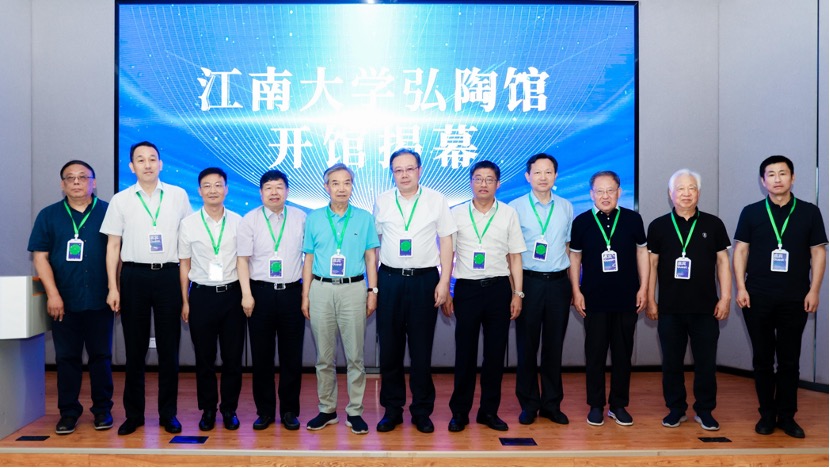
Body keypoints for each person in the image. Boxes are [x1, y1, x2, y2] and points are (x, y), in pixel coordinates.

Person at [100, 141, 192, 435]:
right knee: (135, 350)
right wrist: (113, 287)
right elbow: (113, 247)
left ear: (161, 164)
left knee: (169, 350)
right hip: (134, 277)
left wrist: (186, 289)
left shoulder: (178, 196)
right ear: (132, 166)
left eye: (152, 158)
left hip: (168, 276)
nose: (148, 164)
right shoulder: (121, 200)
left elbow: (188, 242)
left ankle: (169, 414)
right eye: (140, 159)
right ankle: (134, 415)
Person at [733, 155, 827, 439]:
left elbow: (818, 253)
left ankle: (787, 416)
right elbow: (741, 251)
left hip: (795, 298)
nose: (777, 179)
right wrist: (741, 287)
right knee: (762, 359)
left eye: (783, 173)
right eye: (771, 174)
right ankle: (767, 415)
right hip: (757, 297)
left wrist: (814, 290)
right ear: (763, 181)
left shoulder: (810, 212)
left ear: (792, 178)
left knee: (789, 360)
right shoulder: (751, 212)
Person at [373, 149, 456, 434]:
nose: (404, 175)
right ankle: (392, 410)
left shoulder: (436, 200)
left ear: (420, 170)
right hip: (390, 279)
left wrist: (444, 282)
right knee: (390, 350)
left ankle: (421, 411)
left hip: (424, 280)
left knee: (421, 350)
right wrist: (374, 285)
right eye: (398, 170)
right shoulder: (383, 201)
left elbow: (447, 242)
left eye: (410, 169)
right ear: (392, 173)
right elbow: (375, 244)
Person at [28, 160, 114, 435]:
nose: (76, 182)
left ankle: (102, 410)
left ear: (94, 182)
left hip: (100, 298)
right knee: (67, 358)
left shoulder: (109, 212)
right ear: (62, 184)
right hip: (63, 301)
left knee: (101, 357)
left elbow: (118, 254)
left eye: (83, 177)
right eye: (70, 178)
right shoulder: (48, 215)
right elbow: (40, 257)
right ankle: (68, 412)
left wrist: (115, 289)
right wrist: (53, 295)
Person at [646, 169, 731, 431]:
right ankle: (676, 409)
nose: (686, 193)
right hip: (670, 309)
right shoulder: (658, 226)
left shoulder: (713, 224)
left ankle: (705, 410)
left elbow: (723, 263)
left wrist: (726, 297)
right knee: (672, 363)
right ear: (670, 193)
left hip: (706, 308)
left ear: (699, 192)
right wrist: (650, 299)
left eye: (691, 188)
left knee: (706, 363)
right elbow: (652, 264)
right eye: (680, 189)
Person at [443, 160, 525, 433]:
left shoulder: (509, 213)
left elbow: (515, 257)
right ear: (470, 182)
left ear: (498, 184)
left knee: (494, 355)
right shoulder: (456, 213)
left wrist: (518, 293)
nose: (483, 184)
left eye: (489, 179)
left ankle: (489, 412)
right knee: (464, 354)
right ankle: (459, 413)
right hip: (466, 289)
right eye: (478, 179)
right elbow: (448, 255)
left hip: (498, 289)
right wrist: (447, 290)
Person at [301, 163, 380, 435]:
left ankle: (355, 411)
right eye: (335, 183)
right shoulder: (314, 218)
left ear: (352, 186)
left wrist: (372, 291)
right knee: (324, 357)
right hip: (321, 289)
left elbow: (371, 257)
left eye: (347, 182)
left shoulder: (364, 218)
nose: (341, 188)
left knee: (355, 356)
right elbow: (308, 259)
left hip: (353, 289)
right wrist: (305, 295)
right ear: (326, 187)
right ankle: (327, 409)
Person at [568, 170, 648, 426]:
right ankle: (595, 405)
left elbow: (642, 254)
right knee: (595, 354)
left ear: (619, 192)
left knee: (623, 354)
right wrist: (576, 290)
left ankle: (618, 405)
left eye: (610, 190)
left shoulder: (633, 219)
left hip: (626, 297)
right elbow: (575, 258)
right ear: (592, 194)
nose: (605, 196)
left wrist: (644, 288)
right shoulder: (581, 222)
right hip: (594, 298)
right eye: (599, 191)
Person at [237, 169, 307, 431]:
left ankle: (289, 410)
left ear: (287, 191)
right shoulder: (250, 220)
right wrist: (246, 295)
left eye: (279, 187)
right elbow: (242, 260)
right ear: (261, 192)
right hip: (260, 293)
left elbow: (309, 259)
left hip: (292, 292)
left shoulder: (301, 218)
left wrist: (306, 294)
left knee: (292, 356)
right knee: (262, 356)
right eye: (268, 188)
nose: (274, 192)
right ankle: (265, 411)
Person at [508, 153, 573, 426]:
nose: (543, 177)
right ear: (528, 176)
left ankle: (551, 404)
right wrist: (516, 291)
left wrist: (573, 286)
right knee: (527, 346)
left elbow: (568, 247)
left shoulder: (566, 207)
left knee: (554, 347)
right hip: (529, 283)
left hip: (558, 283)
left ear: (555, 176)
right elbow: (510, 254)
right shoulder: (515, 208)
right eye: (537, 172)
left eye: (548, 172)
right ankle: (529, 404)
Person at [178, 167, 245, 432]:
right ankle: (207, 409)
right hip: (201, 295)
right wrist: (185, 300)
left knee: (232, 358)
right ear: (199, 191)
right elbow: (184, 264)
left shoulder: (239, 222)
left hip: (232, 295)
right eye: (207, 186)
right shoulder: (189, 224)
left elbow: (244, 261)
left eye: (218, 185)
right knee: (204, 358)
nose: (213, 190)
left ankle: (229, 409)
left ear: (226, 189)